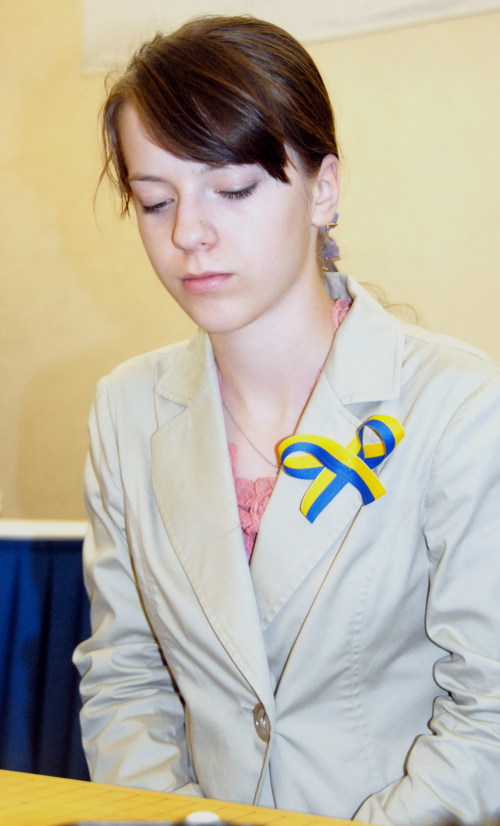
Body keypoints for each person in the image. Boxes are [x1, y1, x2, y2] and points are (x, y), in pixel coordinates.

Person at [73, 14, 500, 826]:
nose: (188, 233)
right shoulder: (126, 410)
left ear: (323, 189)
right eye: (155, 201)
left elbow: (489, 715)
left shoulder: (459, 407)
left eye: (232, 190)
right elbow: (125, 677)